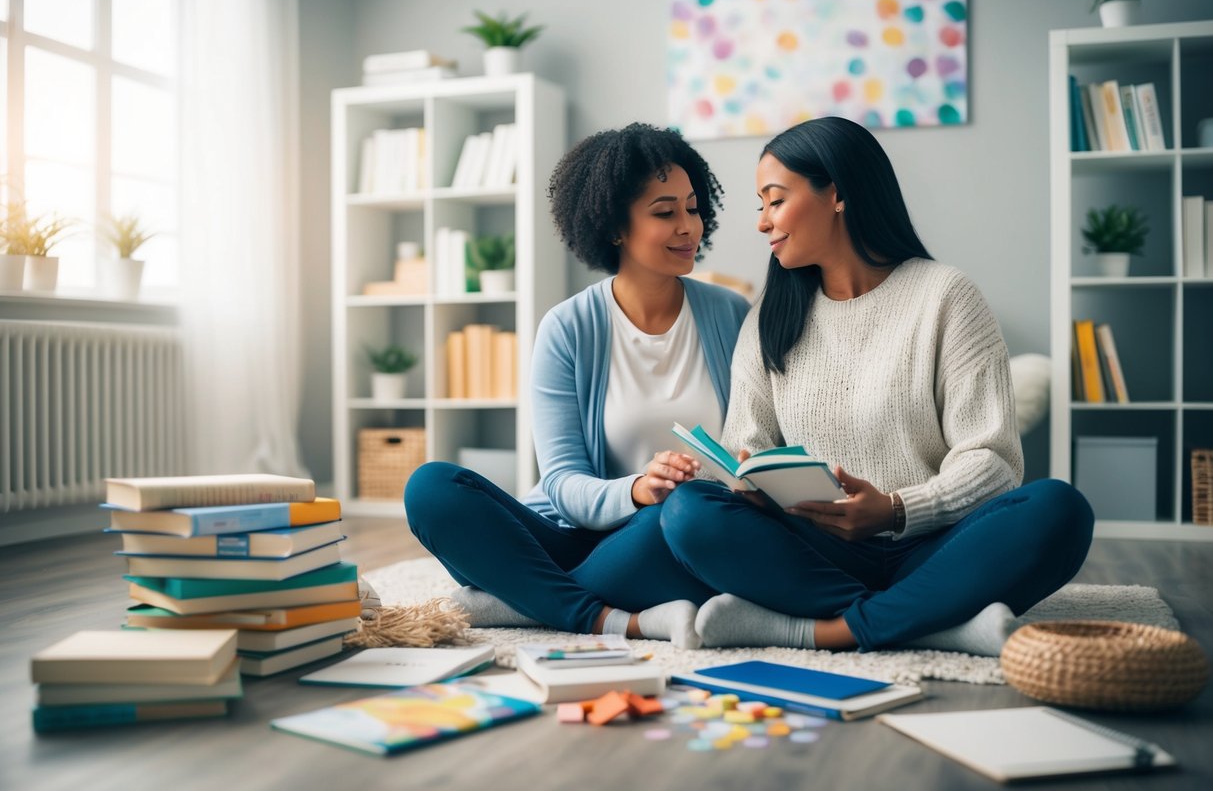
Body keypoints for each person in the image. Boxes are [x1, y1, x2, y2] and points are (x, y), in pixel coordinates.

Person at [659, 116, 1094, 657]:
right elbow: (748, 443)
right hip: (820, 549)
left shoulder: (946, 297)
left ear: (835, 194)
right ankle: (934, 623)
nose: (763, 222)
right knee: (687, 512)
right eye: (760, 206)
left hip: (934, 545)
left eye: (774, 200)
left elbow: (994, 460)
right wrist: (743, 480)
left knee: (1059, 508)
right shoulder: (769, 316)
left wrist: (895, 509)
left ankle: (831, 629)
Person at [405, 123, 750, 648]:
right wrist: (637, 488)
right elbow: (563, 484)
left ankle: (522, 601)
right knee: (430, 488)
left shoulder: (731, 315)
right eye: (665, 212)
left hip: (670, 537)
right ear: (615, 227)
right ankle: (612, 618)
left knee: (684, 517)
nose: (688, 227)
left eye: (693, 207)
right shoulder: (567, 328)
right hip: (576, 536)